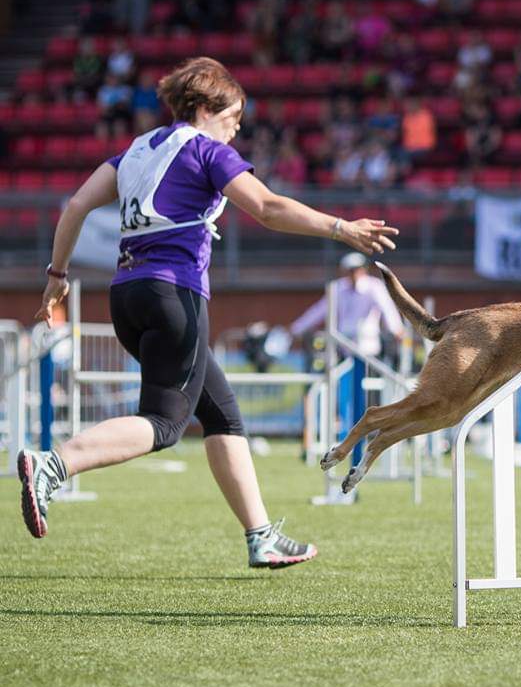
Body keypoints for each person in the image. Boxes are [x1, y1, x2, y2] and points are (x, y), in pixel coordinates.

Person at [19, 57, 398, 568]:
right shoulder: (205, 151)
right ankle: (54, 465)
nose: (237, 126)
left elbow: (74, 207)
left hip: (126, 296)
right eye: (233, 116)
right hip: (174, 296)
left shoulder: (135, 150)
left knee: (221, 413)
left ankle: (260, 535)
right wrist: (340, 228)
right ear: (203, 108)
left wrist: (56, 278)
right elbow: (266, 207)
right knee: (163, 422)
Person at [290, 252, 405, 359]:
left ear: (364, 269)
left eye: (356, 270)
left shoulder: (374, 287)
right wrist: (297, 329)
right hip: (342, 345)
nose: (354, 274)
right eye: (350, 270)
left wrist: (396, 329)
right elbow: (319, 311)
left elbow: (387, 308)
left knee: (366, 378)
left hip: (368, 345)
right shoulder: (338, 287)